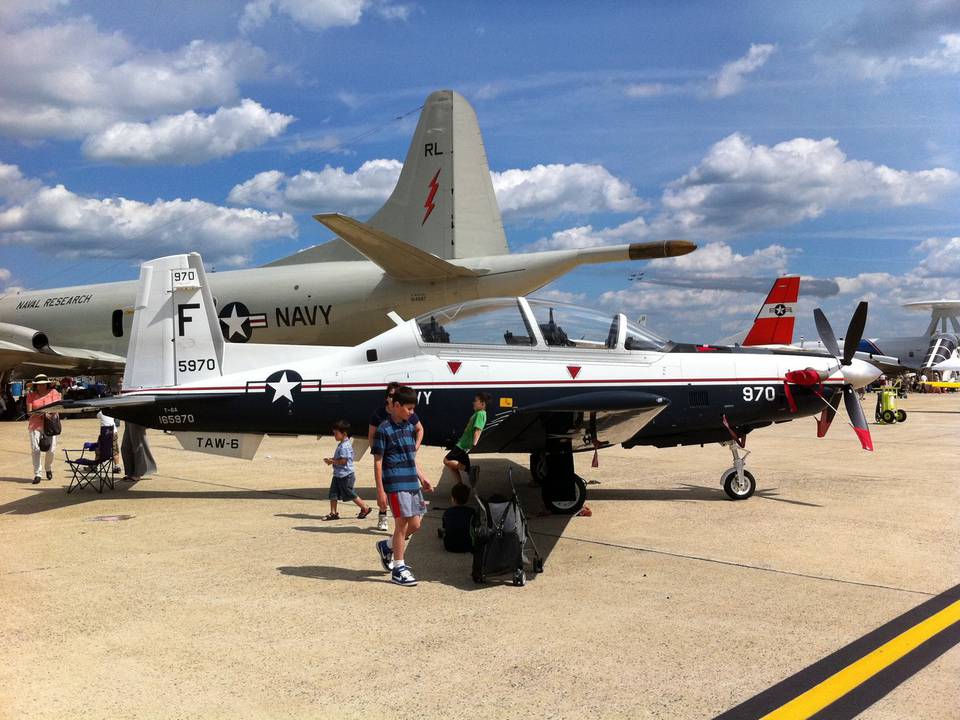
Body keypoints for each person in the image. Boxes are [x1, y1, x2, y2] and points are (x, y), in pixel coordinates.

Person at [372, 385, 432, 586]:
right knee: (401, 524)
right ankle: (399, 568)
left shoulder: (408, 427)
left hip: (411, 481)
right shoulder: (383, 429)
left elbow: (410, 457)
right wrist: (380, 491)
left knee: (415, 525)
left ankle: (387, 546)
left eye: (413, 409)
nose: (412, 413)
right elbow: (378, 461)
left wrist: (422, 477)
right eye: (409, 409)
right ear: (396, 405)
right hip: (395, 483)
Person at [368, 382, 424, 532]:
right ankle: (383, 517)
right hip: (389, 464)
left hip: (406, 469)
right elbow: (372, 437)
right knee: (399, 520)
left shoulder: (407, 417)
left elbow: (420, 429)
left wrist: (414, 448)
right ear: (387, 398)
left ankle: (389, 545)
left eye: (395, 395)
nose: (393, 398)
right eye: (391, 395)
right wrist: (380, 451)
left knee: (412, 524)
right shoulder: (380, 416)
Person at [322, 420, 372, 521]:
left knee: (349, 493)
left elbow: (343, 461)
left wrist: (332, 461)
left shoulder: (344, 446)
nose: (334, 436)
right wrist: (333, 460)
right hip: (339, 474)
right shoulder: (343, 443)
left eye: (336, 433)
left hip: (345, 475)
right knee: (333, 493)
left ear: (344, 433)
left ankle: (365, 508)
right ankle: (333, 513)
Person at [443, 392, 489, 486]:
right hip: (462, 443)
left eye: (476, 401)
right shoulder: (478, 413)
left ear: (483, 404)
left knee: (446, 461)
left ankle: (469, 469)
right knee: (452, 465)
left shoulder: (480, 414)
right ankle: (460, 485)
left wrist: (474, 444)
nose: (473, 402)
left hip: (464, 445)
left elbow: (478, 429)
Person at [25, 374, 62, 484]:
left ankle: (48, 467)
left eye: (43, 384)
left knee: (51, 450)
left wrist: (48, 414)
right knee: (35, 449)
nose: (41, 386)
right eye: (38, 385)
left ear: (47, 384)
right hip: (35, 424)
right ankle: (37, 474)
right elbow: (29, 412)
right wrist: (40, 414)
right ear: (35, 386)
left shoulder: (53, 393)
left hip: (50, 424)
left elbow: (57, 408)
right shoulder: (31, 395)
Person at [439, 482, 476, 553]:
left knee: (446, 530)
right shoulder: (472, 512)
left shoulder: (447, 512)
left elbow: (445, 526)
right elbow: (475, 526)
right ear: (467, 499)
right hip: (468, 546)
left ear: (453, 498)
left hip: (449, 546)